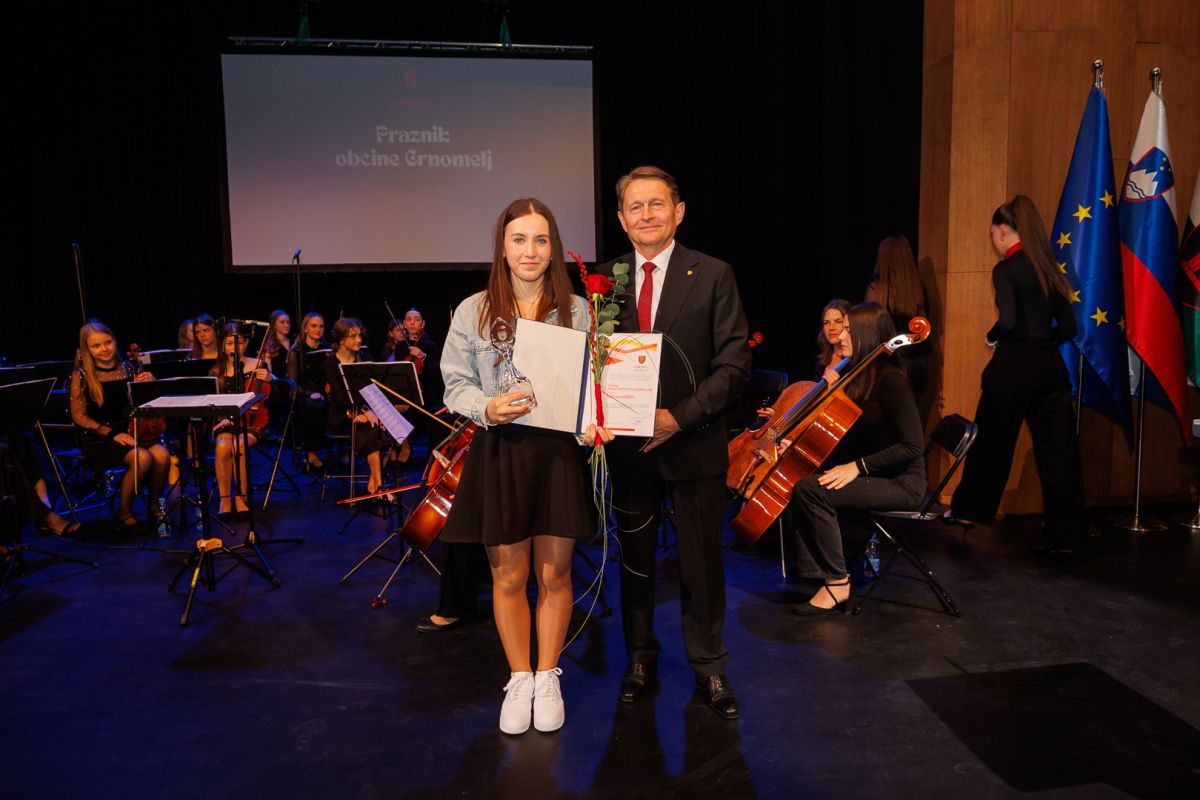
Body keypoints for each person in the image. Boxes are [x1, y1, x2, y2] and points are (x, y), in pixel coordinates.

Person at [439, 197, 612, 735]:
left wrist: (594, 418)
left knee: (554, 574)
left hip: (557, 455)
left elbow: (594, 384)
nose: (530, 250)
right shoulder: (473, 310)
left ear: (553, 248)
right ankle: (518, 676)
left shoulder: (578, 310)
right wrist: (486, 406)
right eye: (519, 239)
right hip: (501, 452)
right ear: (503, 248)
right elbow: (454, 383)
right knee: (508, 576)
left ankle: (546, 675)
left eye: (540, 240)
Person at [599, 166, 751, 719]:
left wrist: (677, 418)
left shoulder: (713, 274)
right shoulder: (603, 280)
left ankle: (709, 666)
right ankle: (640, 659)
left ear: (678, 212)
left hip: (694, 443)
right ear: (621, 219)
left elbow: (734, 366)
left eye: (657, 204)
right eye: (635, 207)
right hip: (628, 451)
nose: (647, 215)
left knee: (701, 564)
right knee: (635, 562)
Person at [948, 195, 1085, 554]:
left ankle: (968, 512)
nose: (993, 241)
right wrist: (1043, 341)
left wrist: (992, 336)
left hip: (1013, 367)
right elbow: (1069, 327)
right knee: (1059, 452)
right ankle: (1067, 536)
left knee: (991, 443)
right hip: (1050, 367)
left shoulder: (1006, 269)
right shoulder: (1048, 266)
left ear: (1003, 232)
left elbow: (1008, 321)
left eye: (992, 234)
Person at [786, 303, 926, 615]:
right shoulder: (861, 375)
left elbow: (913, 446)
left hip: (903, 483)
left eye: (848, 329)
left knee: (811, 490)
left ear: (867, 334)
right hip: (878, 475)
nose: (840, 335)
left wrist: (857, 467)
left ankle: (837, 582)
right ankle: (822, 571)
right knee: (806, 480)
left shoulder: (891, 380)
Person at [69, 321, 170, 529]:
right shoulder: (82, 375)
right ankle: (124, 512)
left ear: (115, 342)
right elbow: (79, 417)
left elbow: (145, 405)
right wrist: (111, 433)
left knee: (162, 455)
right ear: (87, 349)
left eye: (108, 342)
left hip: (131, 430)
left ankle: (154, 505)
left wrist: (151, 383)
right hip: (98, 436)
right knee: (141, 457)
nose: (104, 349)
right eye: (96, 346)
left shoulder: (128, 368)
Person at [210, 324, 273, 519]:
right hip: (226, 423)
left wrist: (270, 379)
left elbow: (274, 398)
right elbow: (213, 405)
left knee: (240, 445)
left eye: (239, 343)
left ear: (245, 344)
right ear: (223, 346)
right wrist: (224, 419)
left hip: (254, 423)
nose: (234, 347)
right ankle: (225, 499)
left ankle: (242, 496)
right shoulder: (216, 372)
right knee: (222, 445)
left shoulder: (259, 365)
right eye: (229, 343)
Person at [323, 317, 385, 494]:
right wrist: (362, 412)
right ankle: (380, 487)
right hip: (342, 415)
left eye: (359, 335)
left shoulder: (366, 359)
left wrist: (368, 412)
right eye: (353, 336)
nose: (359, 340)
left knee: (385, 424)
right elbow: (340, 396)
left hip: (368, 413)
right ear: (341, 340)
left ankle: (375, 481)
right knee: (371, 429)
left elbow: (374, 391)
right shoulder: (330, 364)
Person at [865, 234, 930, 400]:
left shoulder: (876, 290)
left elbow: (870, 329)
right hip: (920, 362)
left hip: (892, 363)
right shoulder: (918, 289)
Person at [286, 312, 329, 470]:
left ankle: (345, 449)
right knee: (314, 406)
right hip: (303, 392)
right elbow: (293, 382)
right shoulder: (296, 352)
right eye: (314, 326)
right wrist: (309, 393)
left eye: (321, 326)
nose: (318, 329)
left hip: (325, 391)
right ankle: (311, 451)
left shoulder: (327, 350)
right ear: (305, 328)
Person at [814, 298, 852, 384]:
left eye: (838, 321)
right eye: (826, 322)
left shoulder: (853, 361)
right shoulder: (821, 361)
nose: (831, 327)